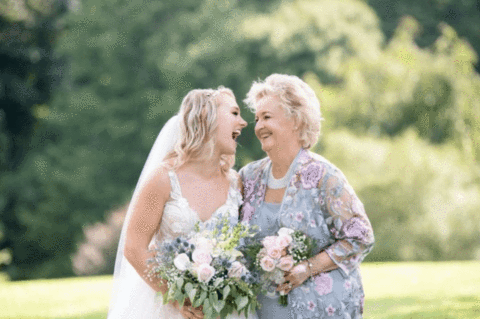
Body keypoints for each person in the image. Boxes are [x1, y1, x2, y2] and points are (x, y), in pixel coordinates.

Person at [239, 74, 375, 318]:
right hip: (260, 311)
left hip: (320, 309)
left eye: (267, 117)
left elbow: (360, 236)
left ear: (296, 120)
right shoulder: (248, 177)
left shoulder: (325, 176)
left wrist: (308, 268)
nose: (258, 126)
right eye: (257, 118)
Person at [108, 87, 248, 319]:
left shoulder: (236, 184)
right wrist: (176, 298)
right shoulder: (163, 179)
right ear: (206, 115)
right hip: (168, 308)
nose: (243, 122)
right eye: (234, 113)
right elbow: (134, 247)